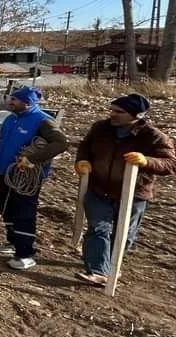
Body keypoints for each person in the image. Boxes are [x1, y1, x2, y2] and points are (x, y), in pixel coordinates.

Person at [74, 93, 176, 286]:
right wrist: (82, 161)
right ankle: (98, 271)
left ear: (136, 115)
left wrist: (147, 161)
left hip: (132, 194)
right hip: (99, 189)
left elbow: (171, 163)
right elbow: (85, 146)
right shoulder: (100, 128)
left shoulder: (152, 136)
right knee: (98, 228)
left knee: (125, 234)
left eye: (119, 112)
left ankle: (112, 265)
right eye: (112, 110)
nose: (112, 114)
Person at [0, 86, 69, 270]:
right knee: (6, 208)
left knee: (23, 213)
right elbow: (2, 145)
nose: (10, 102)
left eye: (14, 100)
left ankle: (25, 254)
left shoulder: (42, 121)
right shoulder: (11, 119)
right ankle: (13, 242)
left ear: (27, 102)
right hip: (5, 173)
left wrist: (31, 159)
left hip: (25, 176)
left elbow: (61, 143)